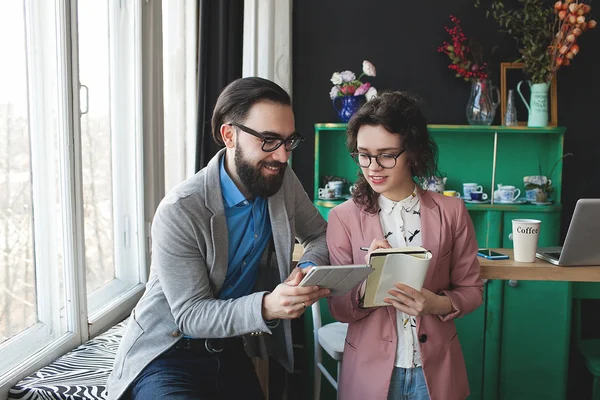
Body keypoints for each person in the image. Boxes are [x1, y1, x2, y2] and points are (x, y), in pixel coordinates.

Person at [107, 77, 330, 400]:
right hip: (166, 354)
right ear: (229, 135)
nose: (282, 157)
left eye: (288, 141)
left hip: (229, 348)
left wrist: (308, 269)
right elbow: (191, 315)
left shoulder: (282, 182)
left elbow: (319, 234)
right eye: (268, 140)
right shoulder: (181, 210)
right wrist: (268, 305)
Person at [326, 92, 483, 400]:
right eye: (363, 154)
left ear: (412, 151)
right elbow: (339, 308)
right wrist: (365, 281)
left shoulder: (452, 212)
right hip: (370, 373)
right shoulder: (342, 218)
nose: (373, 167)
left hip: (436, 371)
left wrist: (435, 304)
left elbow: (472, 290)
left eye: (386, 155)